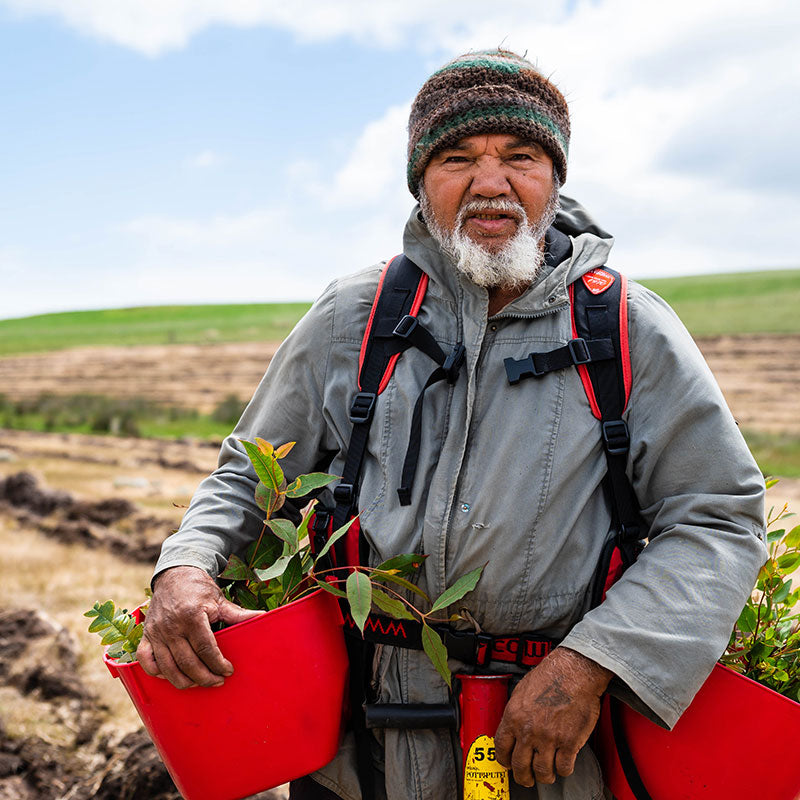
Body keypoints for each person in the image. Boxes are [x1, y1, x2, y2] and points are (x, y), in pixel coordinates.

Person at [139, 50, 767, 799]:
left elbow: (717, 519)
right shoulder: (355, 318)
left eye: (520, 157)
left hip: (551, 745)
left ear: (554, 178)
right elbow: (248, 474)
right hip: (356, 748)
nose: (491, 182)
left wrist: (590, 665)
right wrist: (184, 566)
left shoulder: (629, 329)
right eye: (458, 157)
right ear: (421, 183)